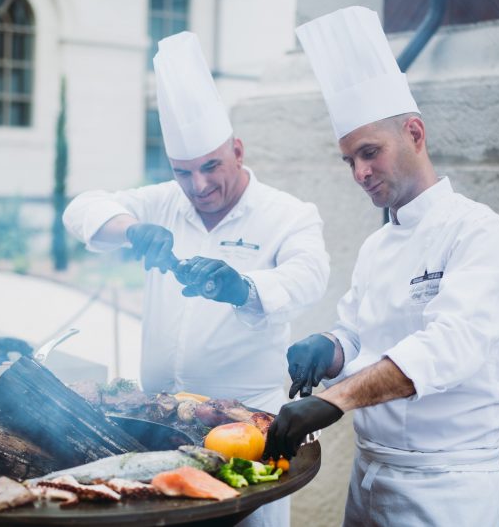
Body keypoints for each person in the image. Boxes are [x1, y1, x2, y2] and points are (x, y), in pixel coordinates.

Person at [262, 6, 499, 526]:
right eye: (349, 160)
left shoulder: (479, 234)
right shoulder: (378, 245)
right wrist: (333, 350)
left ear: (414, 132)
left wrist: (335, 400)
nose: (360, 173)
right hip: (370, 476)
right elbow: (363, 337)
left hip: (448, 487)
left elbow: (446, 349)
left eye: (370, 152)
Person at [63, 31, 330, 526]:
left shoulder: (286, 214)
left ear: (238, 150)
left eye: (211, 167)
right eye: (184, 172)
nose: (199, 186)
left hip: (245, 431)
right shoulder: (164, 200)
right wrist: (132, 229)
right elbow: (81, 210)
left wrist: (243, 288)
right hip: (157, 425)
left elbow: (310, 277)